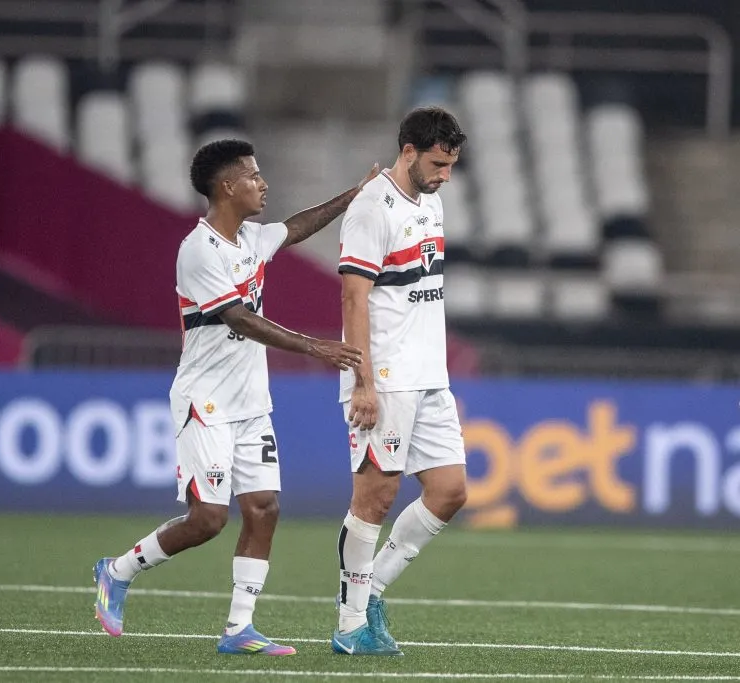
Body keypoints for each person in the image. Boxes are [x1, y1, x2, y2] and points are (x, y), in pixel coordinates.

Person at [94, 139, 376, 656]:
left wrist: (354, 196)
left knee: (265, 508)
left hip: (251, 403)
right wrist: (314, 346)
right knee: (208, 520)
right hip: (206, 401)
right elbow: (239, 319)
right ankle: (116, 571)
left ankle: (238, 628)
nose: (263, 183)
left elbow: (296, 227)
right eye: (253, 176)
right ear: (227, 186)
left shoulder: (250, 237)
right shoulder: (198, 250)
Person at [332, 107, 468, 656]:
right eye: (438, 163)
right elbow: (353, 296)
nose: (446, 176)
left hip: (429, 373)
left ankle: (374, 592)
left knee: (450, 490)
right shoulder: (371, 208)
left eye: (452, 165)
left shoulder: (430, 201)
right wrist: (362, 380)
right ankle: (348, 626)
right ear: (408, 151)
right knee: (375, 497)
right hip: (384, 375)